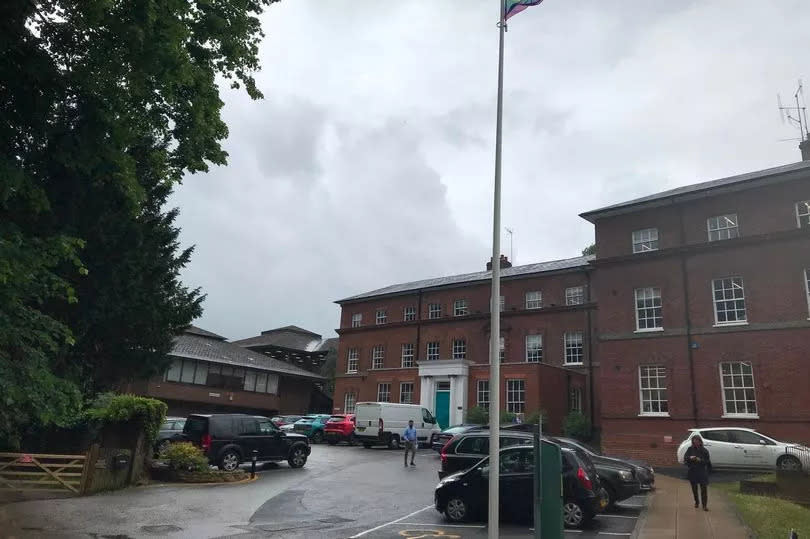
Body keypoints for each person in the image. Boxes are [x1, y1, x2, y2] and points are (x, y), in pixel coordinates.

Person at [684, 434, 711, 511]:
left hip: (702, 472)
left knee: (703, 489)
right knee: (694, 489)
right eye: (694, 441)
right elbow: (685, 458)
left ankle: (704, 505)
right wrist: (690, 457)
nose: (695, 443)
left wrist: (700, 460)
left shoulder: (704, 451)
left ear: (700, 442)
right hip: (693, 471)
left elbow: (707, 461)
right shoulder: (690, 449)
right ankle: (697, 502)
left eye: (697, 441)